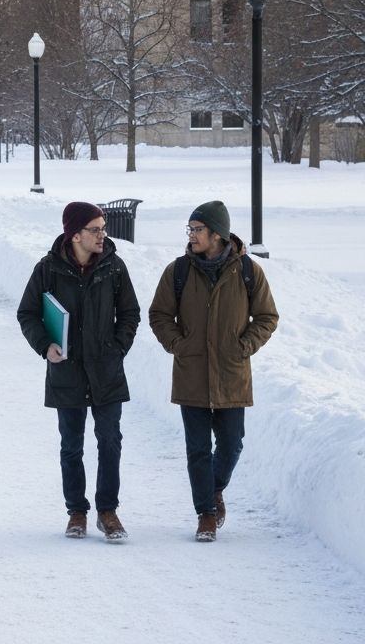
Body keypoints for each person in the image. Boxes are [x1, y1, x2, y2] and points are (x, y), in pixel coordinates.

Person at [148, 201, 279, 543]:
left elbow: (267, 317)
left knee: (232, 444)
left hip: (231, 373)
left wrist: (244, 346)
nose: (191, 235)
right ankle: (206, 514)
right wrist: (177, 344)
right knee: (197, 449)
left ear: (216, 234)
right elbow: (159, 314)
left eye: (197, 229)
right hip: (191, 372)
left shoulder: (248, 271)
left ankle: (214, 488)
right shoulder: (177, 272)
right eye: (190, 229)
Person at [16, 202, 140, 543]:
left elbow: (130, 312)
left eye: (103, 228)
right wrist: (45, 346)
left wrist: (117, 348)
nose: (103, 235)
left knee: (110, 441)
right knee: (71, 445)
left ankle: (107, 511)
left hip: (106, 369)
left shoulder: (114, 267)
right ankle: (76, 511)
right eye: (95, 229)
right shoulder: (48, 269)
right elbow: (27, 313)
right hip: (66, 369)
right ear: (75, 235)